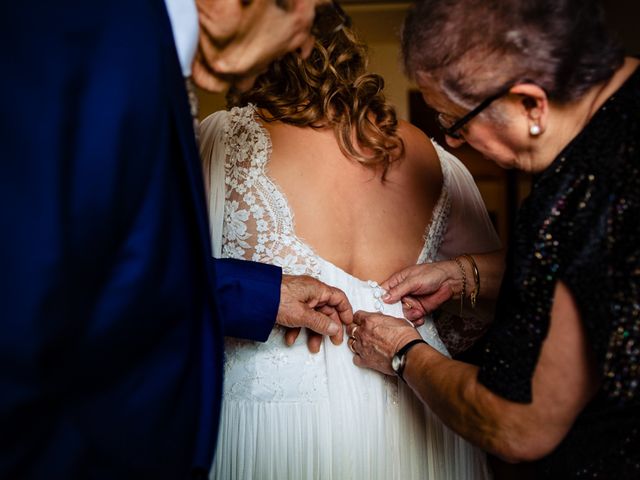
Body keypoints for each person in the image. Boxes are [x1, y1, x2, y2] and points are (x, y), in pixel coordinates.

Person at [0, 0, 353, 478]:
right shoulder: (74, 30)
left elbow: (113, 251)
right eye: (306, 25)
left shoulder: (144, 47)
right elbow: (24, 287)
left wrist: (266, 296)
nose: (303, 45)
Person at [198, 4, 501, 478]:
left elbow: (167, 283)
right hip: (420, 411)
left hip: (276, 424)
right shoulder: (430, 154)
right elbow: (488, 309)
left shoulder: (221, 141)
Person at [348, 0, 640, 477]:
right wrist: (465, 273)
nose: (455, 143)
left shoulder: (582, 192)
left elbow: (517, 425)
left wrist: (403, 352)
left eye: (453, 123)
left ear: (530, 103)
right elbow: (601, 275)